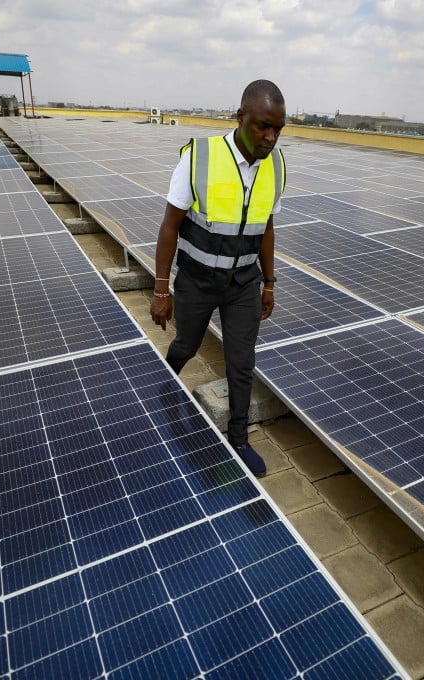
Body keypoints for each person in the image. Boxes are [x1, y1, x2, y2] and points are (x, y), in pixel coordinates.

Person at [150, 79, 286, 478]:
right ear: (240, 116)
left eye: (278, 129)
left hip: (243, 281)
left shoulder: (275, 166)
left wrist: (269, 282)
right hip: (197, 279)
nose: (270, 137)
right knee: (186, 344)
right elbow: (169, 225)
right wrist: (161, 288)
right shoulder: (201, 157)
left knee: (242, 362)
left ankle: (239, 439)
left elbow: (267, 226)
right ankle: (161, 386)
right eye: (262, 125)